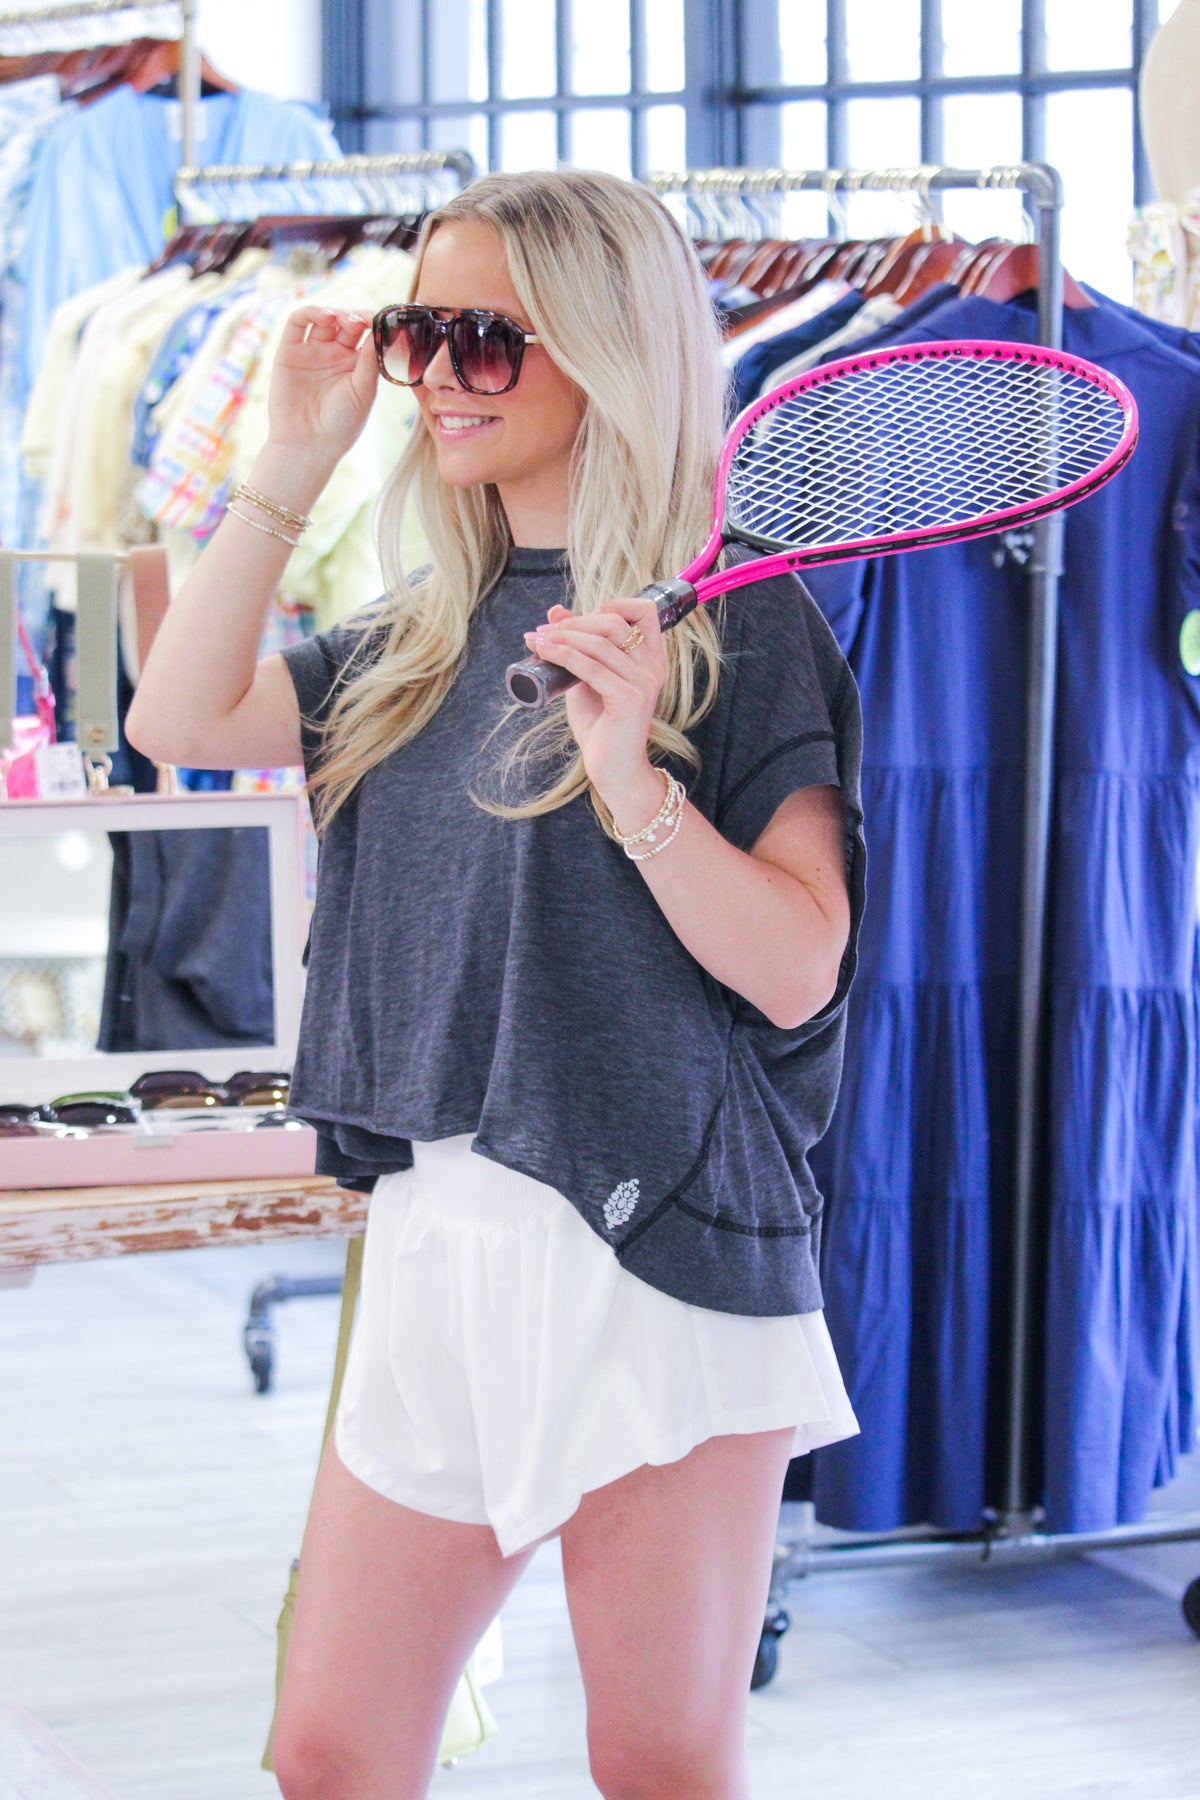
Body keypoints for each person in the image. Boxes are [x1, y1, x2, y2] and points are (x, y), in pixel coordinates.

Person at [127, 168, 867, 1800]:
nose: (441, 376)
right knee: (331, 1752)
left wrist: (632, 780)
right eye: (420, 333)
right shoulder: (420, 631)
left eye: (487, 339)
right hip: (440, 1234)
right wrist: (290, 464)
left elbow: (799, 966)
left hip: (654, 1244)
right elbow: (176, 721)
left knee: (660, 1765)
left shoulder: (735, 622)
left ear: (605, 351)